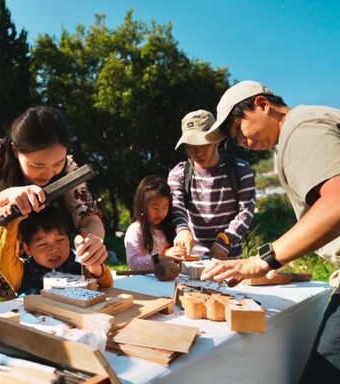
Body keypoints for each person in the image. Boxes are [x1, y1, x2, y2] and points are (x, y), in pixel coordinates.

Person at [200, 80, 340, 383]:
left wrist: (264, 260)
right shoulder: (303, 127)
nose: (240, 142)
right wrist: (287, 255)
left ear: (263, 105)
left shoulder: (299, 131)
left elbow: (337, 202)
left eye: (238, 130)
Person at [0, 106, 107, 305]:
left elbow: (88, 216)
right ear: (16, 151)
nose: (49, 173)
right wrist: (7, 195)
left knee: (24, 323)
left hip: (29, 266)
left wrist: (94, 240)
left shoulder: (69, 168)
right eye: (38, 165)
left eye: (57, 163)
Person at [168, 109, 256, 260]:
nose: (198, 152)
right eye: (191, 145)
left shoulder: (240, 169)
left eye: (203, 144)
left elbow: (246, 212)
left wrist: (225, 242)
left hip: (230, 257)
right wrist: (182, 230)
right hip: (192, 258)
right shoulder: (178, 174)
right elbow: (177, 208)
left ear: (216, 140)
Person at [0, 205, 112, 296]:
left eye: (60, 240)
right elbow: (3, 261)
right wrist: (11, 222)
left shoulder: (80, 269)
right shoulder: (22, 273)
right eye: (42, 244)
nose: (53, 249)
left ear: (69, 240)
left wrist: (94, 267)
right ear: (28, 249)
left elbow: (106, 284)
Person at [124, 175, 186, 270]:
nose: (160, 213)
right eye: (155, 208)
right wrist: (161, 258)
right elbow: (133, 264)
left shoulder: (168, 227)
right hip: (143, 282)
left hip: (166, 281)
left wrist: (182, 256)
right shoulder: (136, 229)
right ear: (142, 205)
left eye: (165, 207)